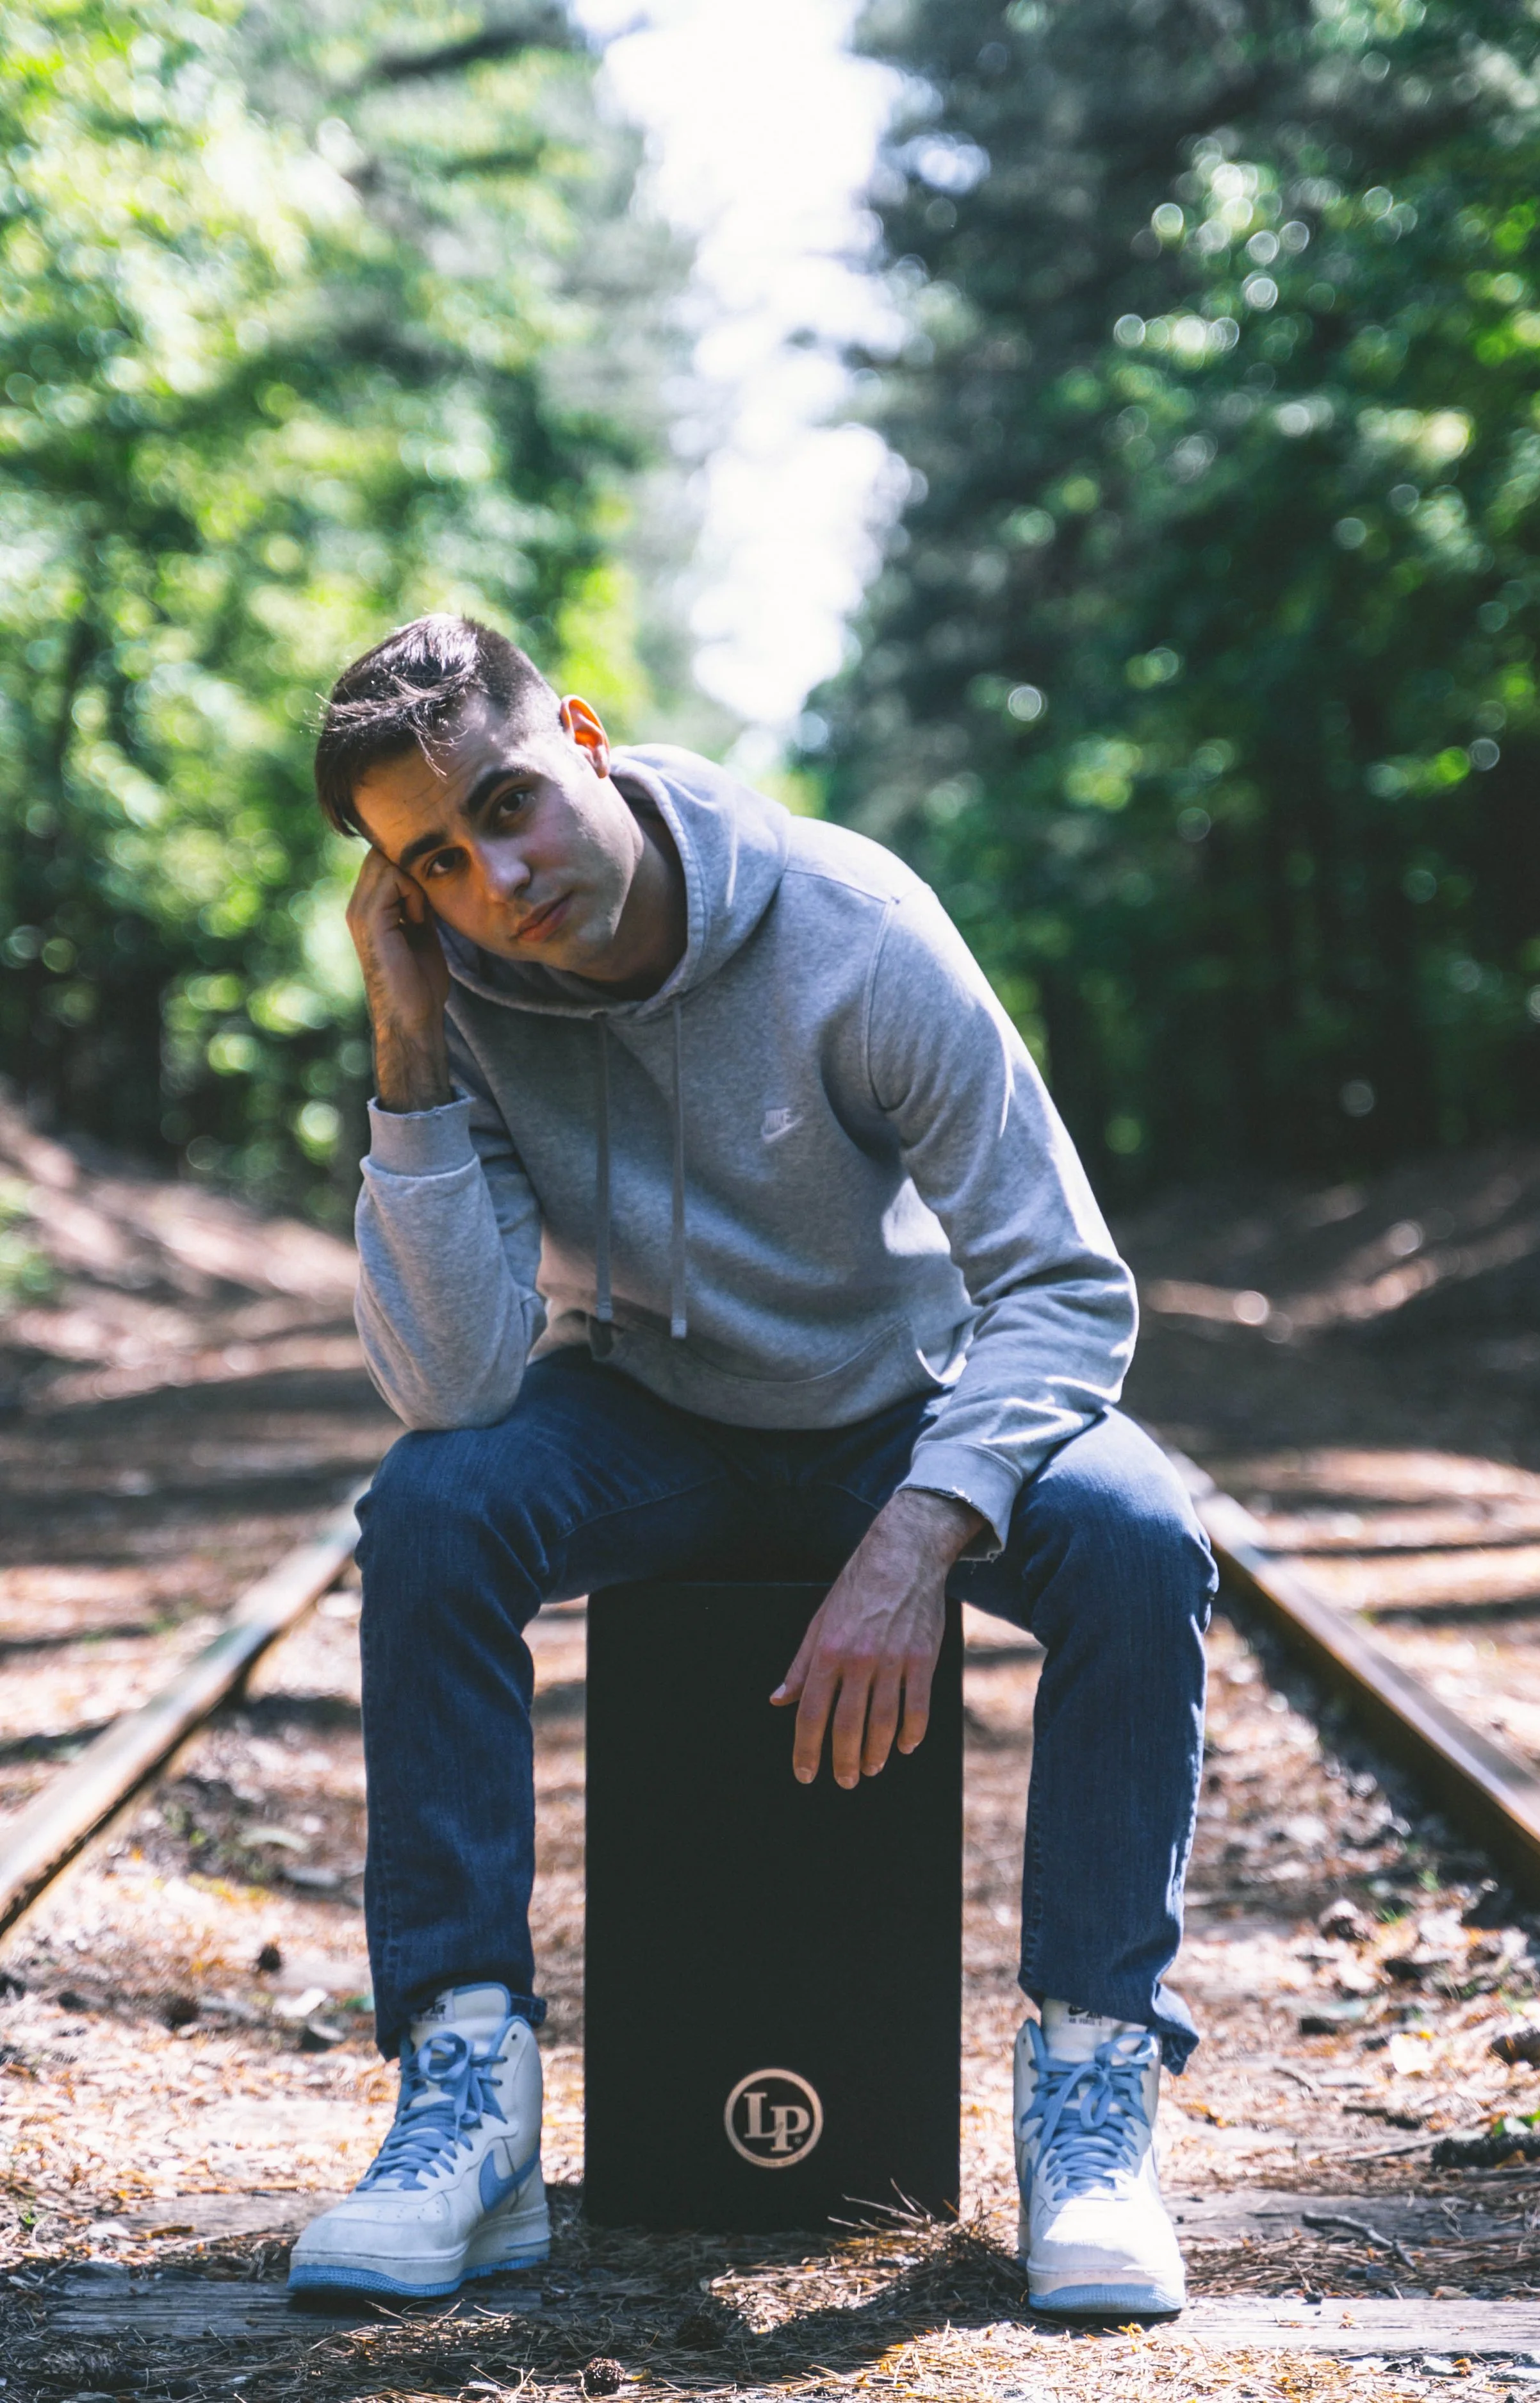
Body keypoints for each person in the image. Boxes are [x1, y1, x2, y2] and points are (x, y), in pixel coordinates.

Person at [286, 613, 1216, 2314]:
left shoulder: (851, 927)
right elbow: (450, 1379)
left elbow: (1061, 1285)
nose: (496, 875)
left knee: (1138, 1530)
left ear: (575, 732)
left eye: (506, 803)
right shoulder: (466, 999)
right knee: (429, 1506)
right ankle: (464, 2092)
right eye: (435, 860)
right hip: (650, 1418)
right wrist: (409, 1047)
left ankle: (1089, 2100)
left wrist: (917, 1534)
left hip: (896, 1412)